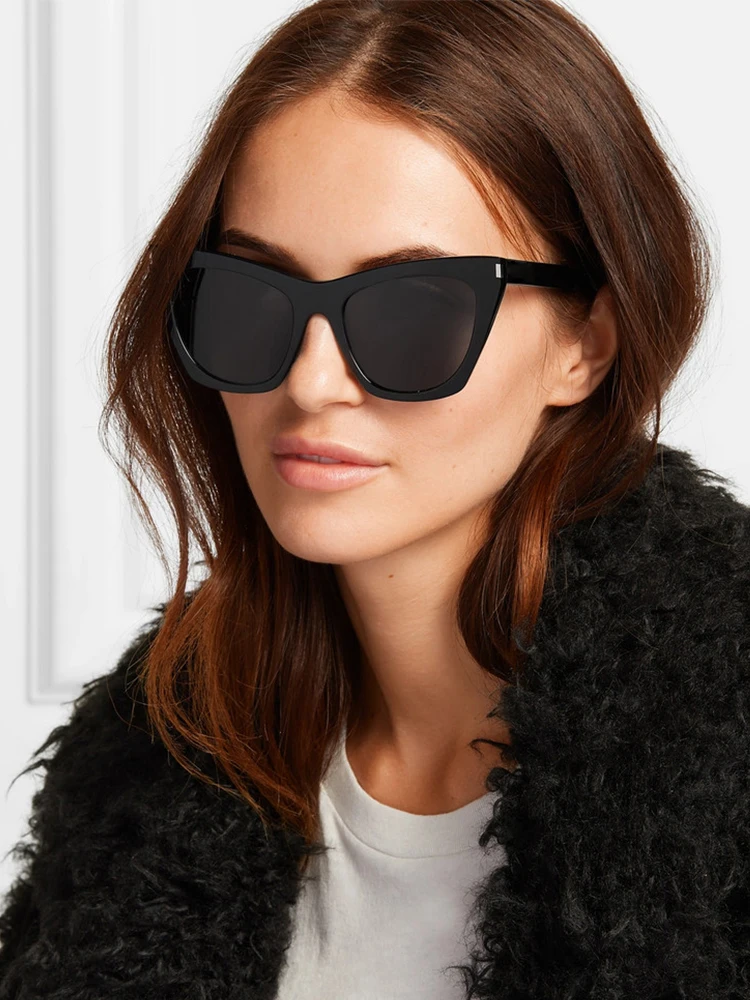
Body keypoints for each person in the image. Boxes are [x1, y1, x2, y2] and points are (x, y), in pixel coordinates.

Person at [1, 1, 748, 998]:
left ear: (586, 343)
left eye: (412, 310)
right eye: (254, 294)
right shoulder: (145, 761)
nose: (310, 382)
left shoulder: (722, 749)